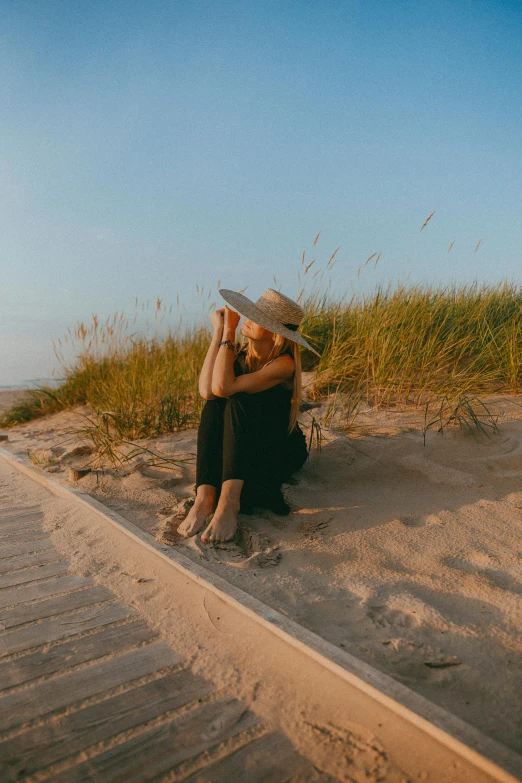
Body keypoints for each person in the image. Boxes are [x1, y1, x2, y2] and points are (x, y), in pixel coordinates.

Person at [177, 286, 321, 544]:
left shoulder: (284, 363)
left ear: (276, 333)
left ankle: (229, 505)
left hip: (278, 448)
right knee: (214, 404)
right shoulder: (238, 352)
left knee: (237, 399)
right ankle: (205, 498)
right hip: (244, 444)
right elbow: (206, 391)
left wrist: (229, 331)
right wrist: (218, 333)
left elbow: (223, 387)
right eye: (251, 314)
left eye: (258, 318)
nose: (248, 319)